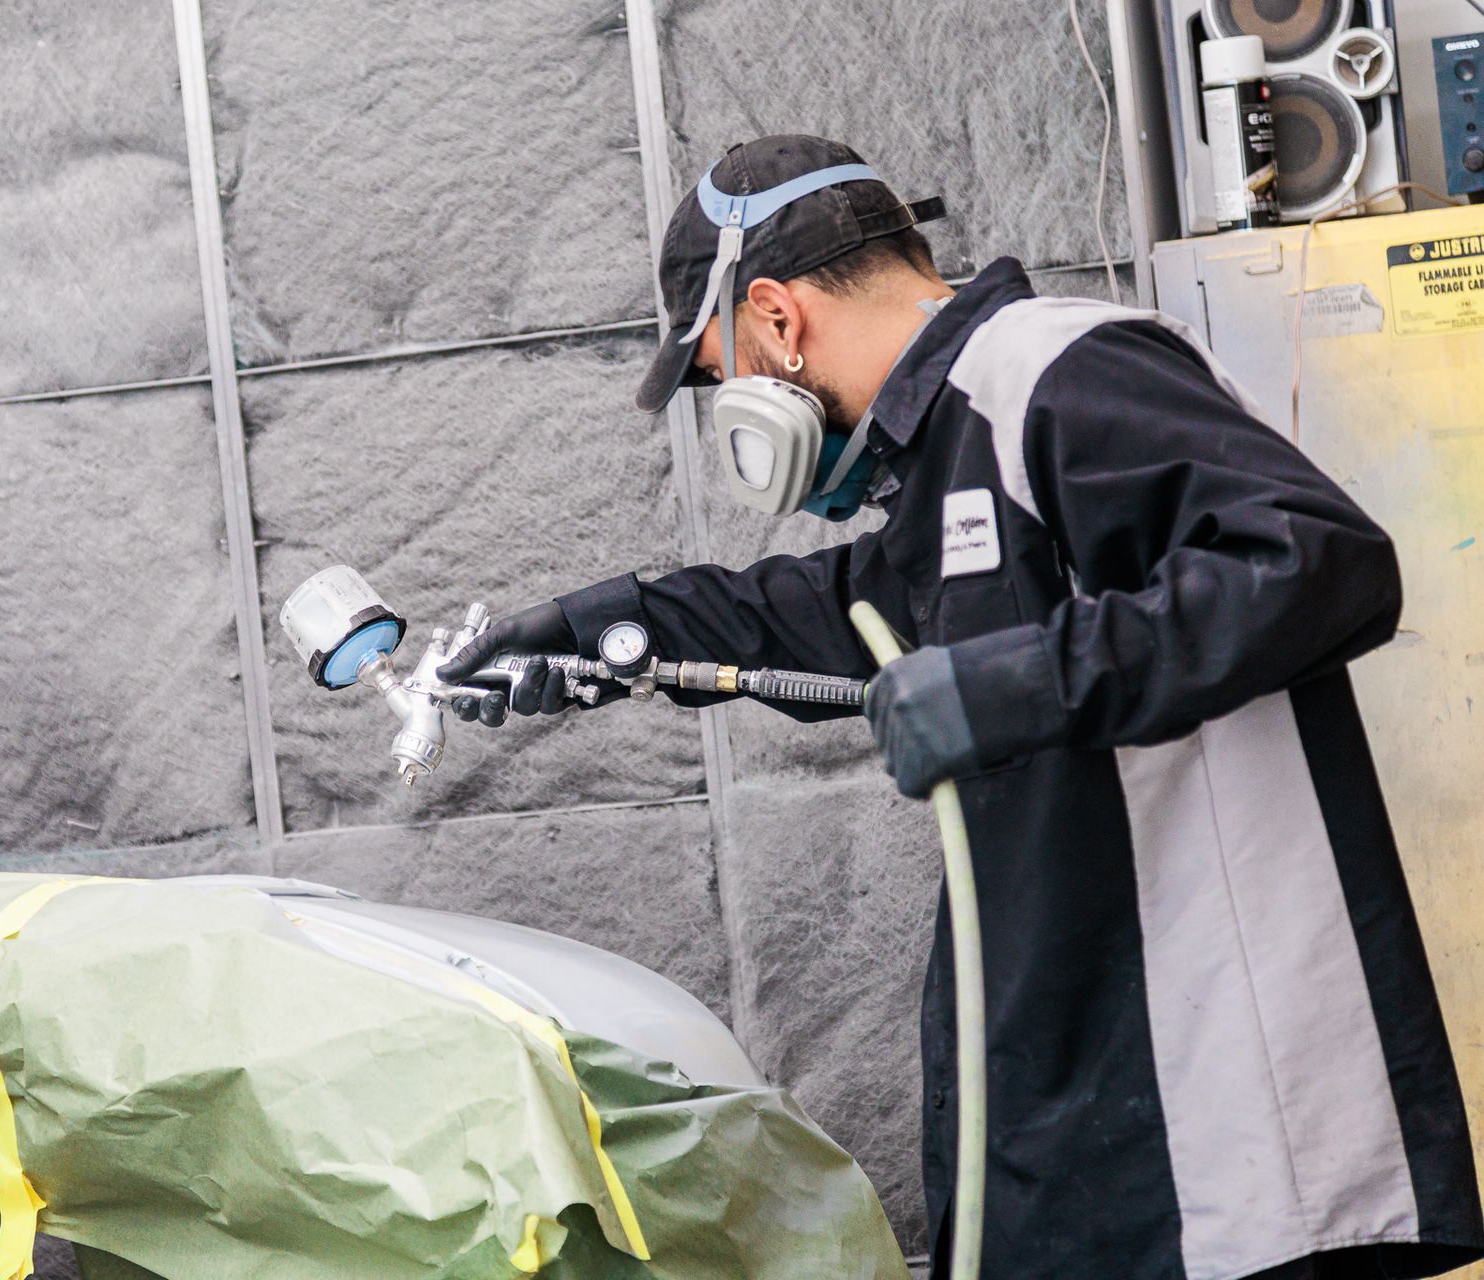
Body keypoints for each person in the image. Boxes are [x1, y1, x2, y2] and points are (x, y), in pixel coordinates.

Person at [437, 135, 1484, 1280]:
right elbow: (834, 605)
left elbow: (1319, 561)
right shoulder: (954, 453)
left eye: (720, 365)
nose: (731, 401)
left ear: (779, 318)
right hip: (1122, 1132)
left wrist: (1015, 682)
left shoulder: (1055, 365)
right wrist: (609, 629)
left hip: (1237, 1134)